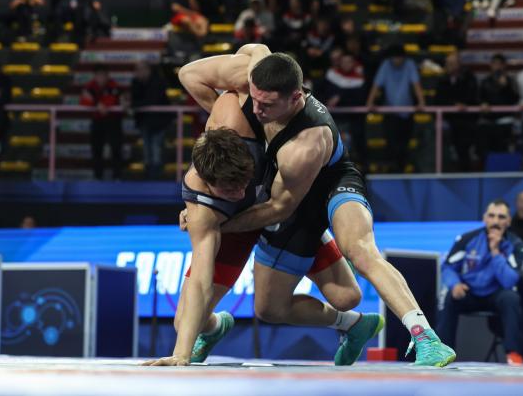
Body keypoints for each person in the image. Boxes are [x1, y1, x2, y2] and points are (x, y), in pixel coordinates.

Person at [205, 47, 455, 366]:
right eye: (254, 99)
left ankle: (426, 338)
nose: (256, 110)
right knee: (277, 308)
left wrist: (219, 225)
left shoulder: (305, 144)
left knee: (362, 251)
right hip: (297, 203)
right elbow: (191, 75)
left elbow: (278, 208)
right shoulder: (259, 73)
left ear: (296, 97)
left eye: (266, 105)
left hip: (331, 186)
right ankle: (353, 324)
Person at [143, 45, 372, 366]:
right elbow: (201, 278)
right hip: (234, 224)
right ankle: (218, 327)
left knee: (347, 296)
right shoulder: (202, 203)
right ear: (209, 184)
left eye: (242, 183)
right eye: (229, 191)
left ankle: (352, 319)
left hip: (278, 208)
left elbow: (258, 50)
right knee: (186, 323)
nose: (239, 194)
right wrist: (181, 354)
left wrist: (253, 58)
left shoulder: (252, 112)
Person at [437, 199, 523, 365]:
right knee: (449, 296)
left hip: (497, 294)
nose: (495, 221)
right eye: (491, 216)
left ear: (508, 221)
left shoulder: (516, 245)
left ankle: (513, 354)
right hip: (469, 292)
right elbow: (448, 267)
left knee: (512, 298)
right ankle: (442, 353)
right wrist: (455, 284)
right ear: (485, 218)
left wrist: (495, 251)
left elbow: (510, 281)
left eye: (501, 217)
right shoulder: (467, 239)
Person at [366, 44, 425, 173]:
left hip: (407, 113)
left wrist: (421, 102)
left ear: (403, 57)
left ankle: (401, 169)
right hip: (390, 113)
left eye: (399, 57)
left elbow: (416, 84)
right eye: (394, 57)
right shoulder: (386, 65)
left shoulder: (410, 64)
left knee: (404, 144)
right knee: (391, 144)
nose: (397, 60)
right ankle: (394, 169)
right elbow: (376, 84)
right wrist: (370, 102)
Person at [435, 52, 479, 172]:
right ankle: (444, 173)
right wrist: (453, 105)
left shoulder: (469, 78)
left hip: (465, 121)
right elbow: (438, 100)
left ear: (459, 64)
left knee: (463, 149)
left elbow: (472, 97)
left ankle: (465, 175)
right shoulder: (442, 80)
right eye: (448, 63)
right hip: (448, 120)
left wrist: (463, 104)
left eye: (452, 63)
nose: (449, 66)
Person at [128, 62, 172, 180]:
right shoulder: (136, 82)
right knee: (147, 150)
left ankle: (157, 178)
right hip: (144, 121)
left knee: (156, 148)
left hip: (160, 121)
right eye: (137, 70)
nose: (139, 72)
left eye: (141, 69)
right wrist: (133, 103)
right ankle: (149, 177)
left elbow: (151, 100)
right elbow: (134, 99)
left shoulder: (158, 81)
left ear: (148, 70)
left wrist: (134, 104)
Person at [80, 65, 123, 180]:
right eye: (99, 75)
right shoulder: (90, 86)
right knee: (96, 149)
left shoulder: (113, 86)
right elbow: (84, 101)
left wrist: (95, 102)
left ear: (108, 76)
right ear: (95, 76)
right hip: (97, 121)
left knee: (116, 148)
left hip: (113, 121)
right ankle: (98, 177)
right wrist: (97, 104)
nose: (101, 78)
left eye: (104, 75)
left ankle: (117, 177)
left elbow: (109, 102)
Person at [478, 53, 519, 160]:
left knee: (503, 150)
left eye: (500, 64)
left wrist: (506, 87)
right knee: (487, 150)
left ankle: (503, 169)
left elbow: (515, 99)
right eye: (495, 64)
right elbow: (479, 97)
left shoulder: (510, 81)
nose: (497, 66)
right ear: (491, 65)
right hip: (488, 121)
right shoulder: (485, 81)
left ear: (504, 66)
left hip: (505, 121)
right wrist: (483, 103)